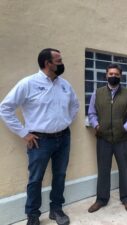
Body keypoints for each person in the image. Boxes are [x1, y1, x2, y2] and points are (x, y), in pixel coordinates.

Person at [0, 48, 79, 225]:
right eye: (58, 61)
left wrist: (66, 121)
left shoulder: (64, 84)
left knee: (60, 175)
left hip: (64, 138)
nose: (61, 64)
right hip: (39, 141)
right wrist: (23, 133)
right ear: (47, 63)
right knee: (35, 178)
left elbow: (75, 105)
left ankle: (56, 209)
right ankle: (33, 215)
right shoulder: (28, 83)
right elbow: (5, 108)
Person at [87, 63, 127, 213]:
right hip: (103, 139)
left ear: (120, 76)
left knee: (124, 169)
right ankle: (101, 199)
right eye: (111, 74)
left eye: (116, 74)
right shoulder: (98, 93)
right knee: (103, 170)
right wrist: (96, 126)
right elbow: (91, 113)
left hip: (122, 139)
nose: (113, 76)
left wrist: (124, 128)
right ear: (106, 75)